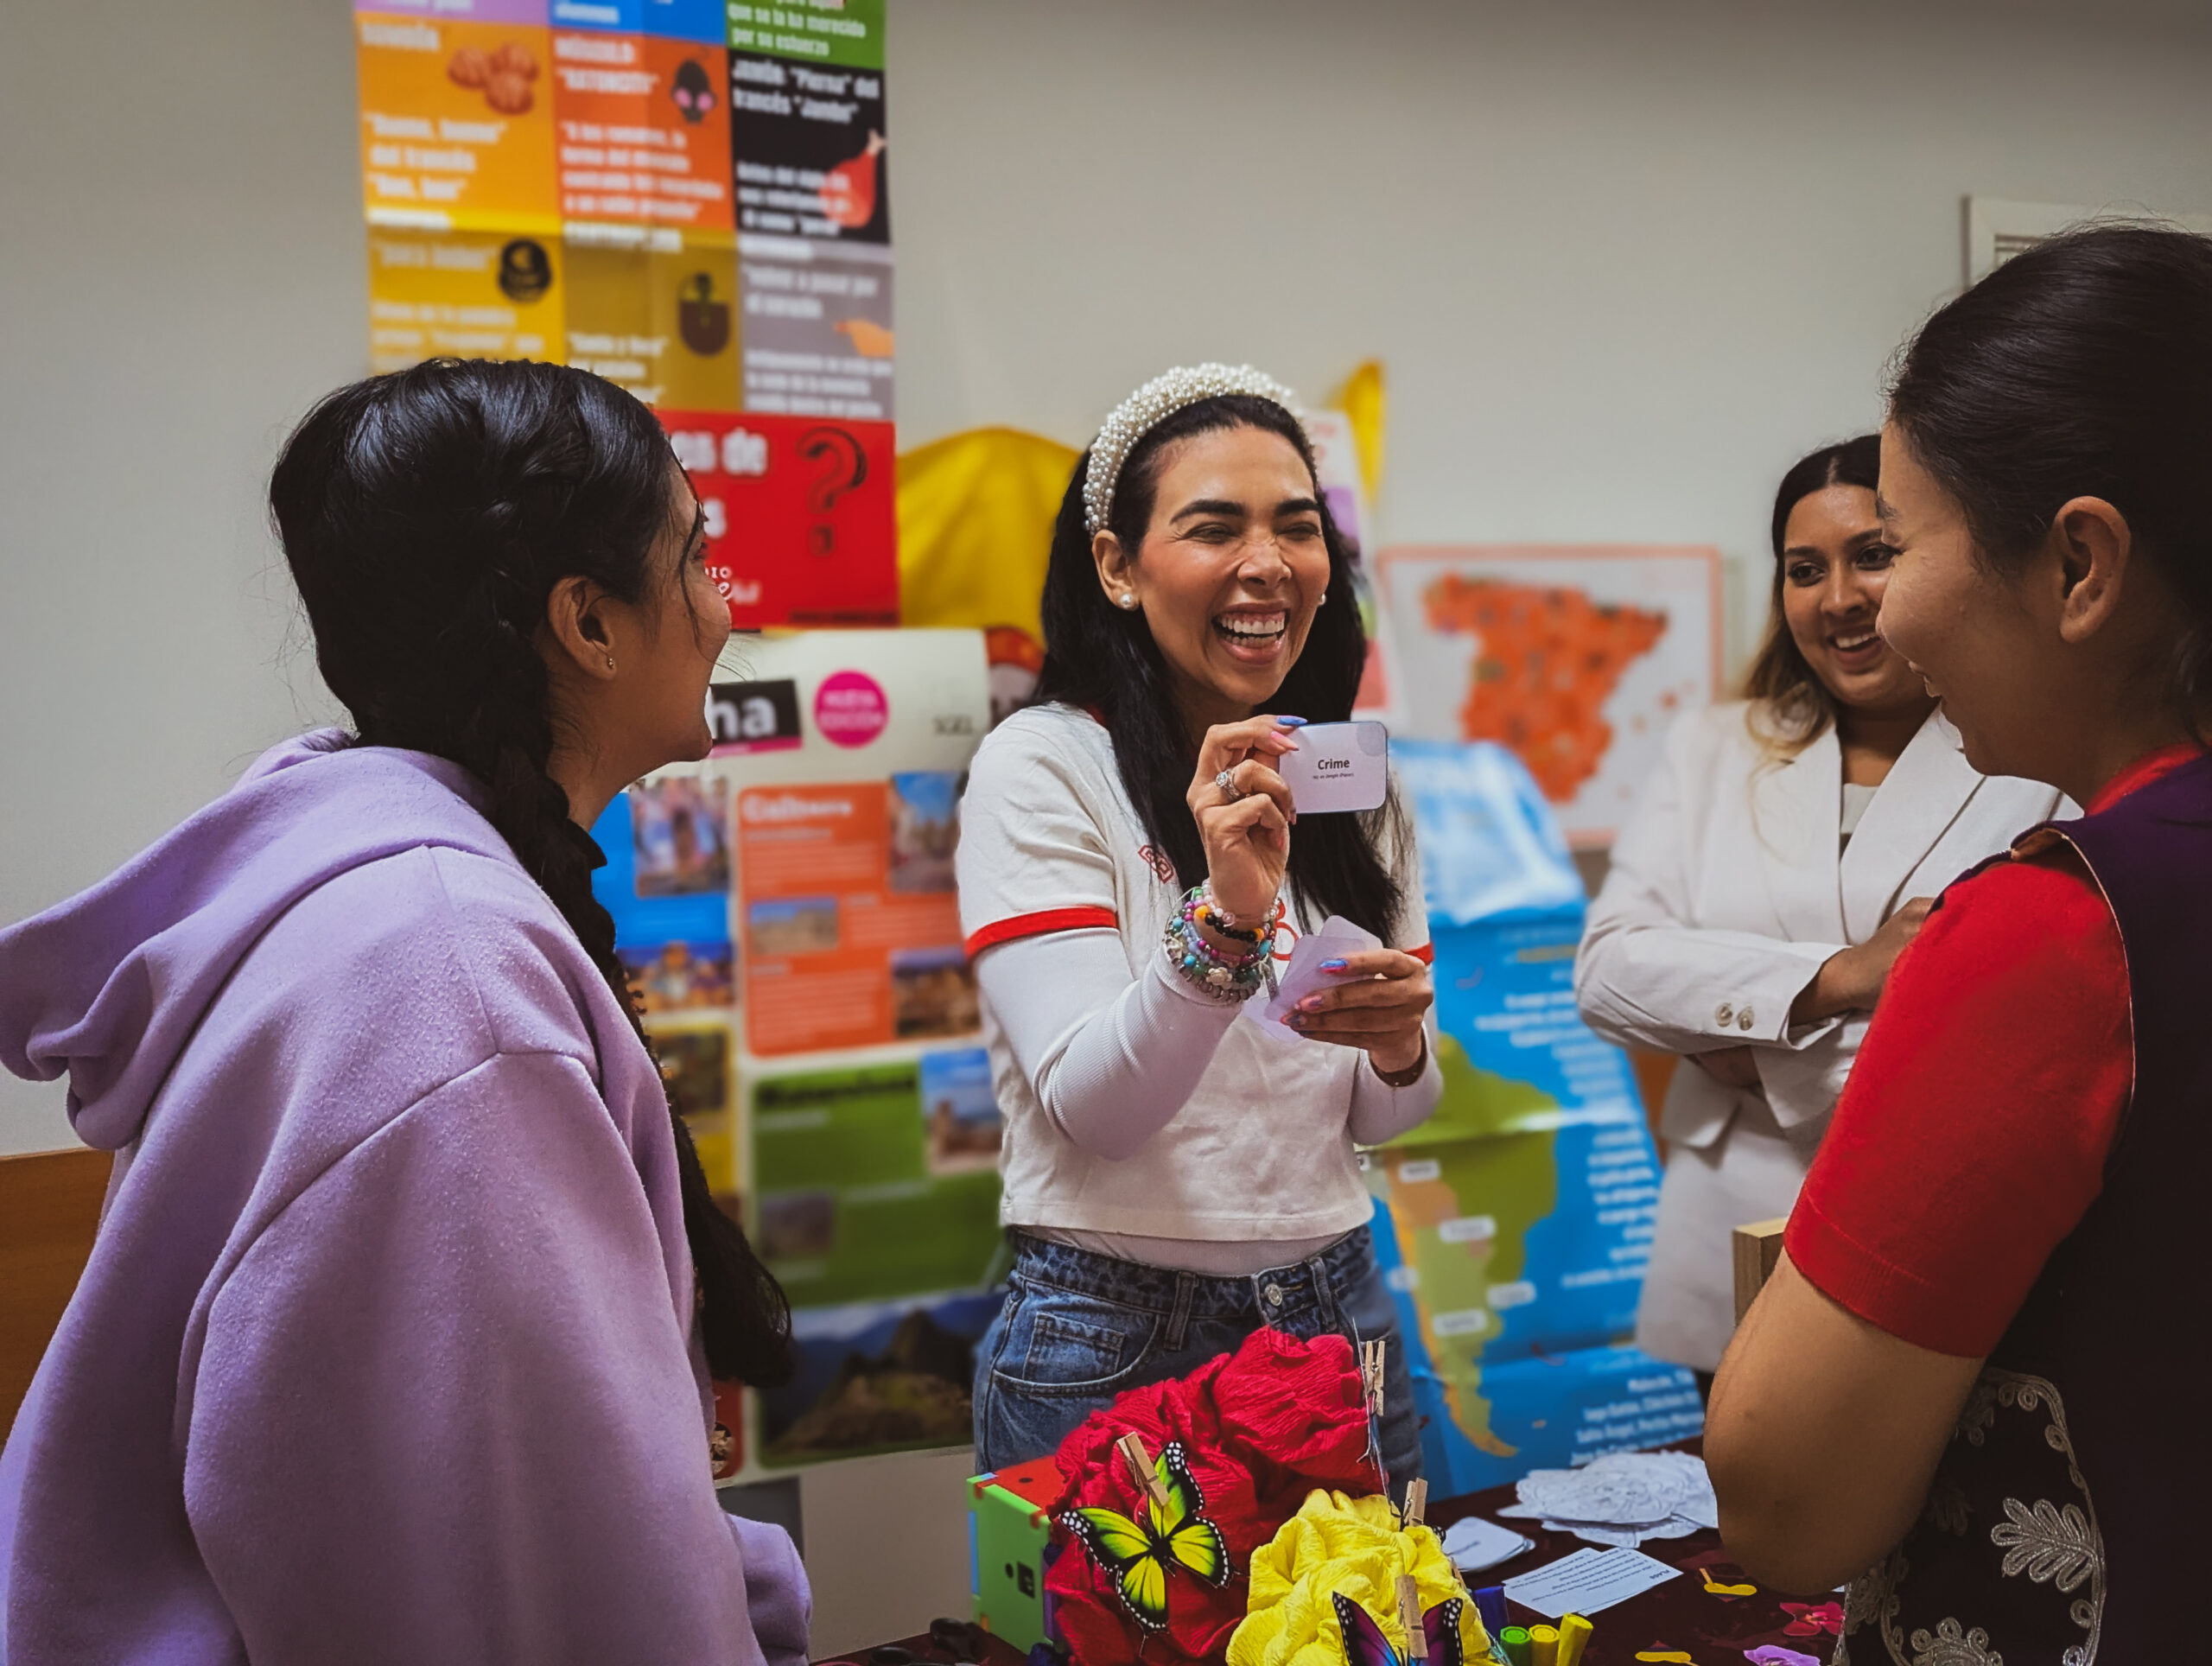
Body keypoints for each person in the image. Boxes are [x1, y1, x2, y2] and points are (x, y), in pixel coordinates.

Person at [0, 360, 809, 1665]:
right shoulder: (455, 987)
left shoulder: (386, 901)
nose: (722, 609)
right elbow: (520, 1596)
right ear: (588, 624)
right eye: (693, 557)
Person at [1707, 225, 2212, 1658]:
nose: (1877, 606)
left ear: (2079, 565)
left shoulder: (2055, 930)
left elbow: (1785, 1500)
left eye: (1900, 542)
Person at [957, 365, 1439, 1481]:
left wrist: (1400, 1047)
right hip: (1115, 1332)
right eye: (1215, 528)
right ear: (1118, 567)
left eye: (1297, 528)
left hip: (1338, 1309)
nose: (1266, 563)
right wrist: (1227, 917)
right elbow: (1099, 1113)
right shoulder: (1045, 765)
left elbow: (1389, 1114)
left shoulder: (1348, 773)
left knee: (1381, 1595)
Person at [1574, 438, 2063, 1383]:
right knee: (1726, 1473)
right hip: (1726, 1221)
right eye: (1804, 570)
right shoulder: (1714, 745)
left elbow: (2010, 1041)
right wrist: (1840, 978)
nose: (1838, 597)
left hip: (1933, 1228)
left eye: (1873, 555)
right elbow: (1606, 973)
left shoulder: (2036, 754)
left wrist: (1746, 1042)